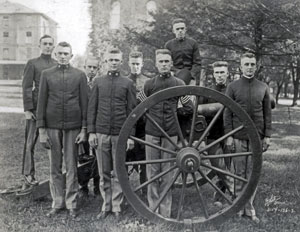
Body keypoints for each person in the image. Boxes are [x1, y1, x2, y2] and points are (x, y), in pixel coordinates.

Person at [138, 49, 193, 218]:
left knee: (168, 173)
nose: (163, 64)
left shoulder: (178, 84)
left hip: (171, 134)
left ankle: (165, 211)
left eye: (166, 61)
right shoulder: (149, 84)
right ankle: (153, 211)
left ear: (171, 64)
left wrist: (176, 115)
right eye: (160, 61)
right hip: (152, 133)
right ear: (156, 64)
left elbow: (189, 107)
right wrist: (150, 118)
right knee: (153, 172)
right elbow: (140, 107)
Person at [36, 41, 88, 218]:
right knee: (54, 166)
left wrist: (84, 129)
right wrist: (42, 130)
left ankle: (71, 203)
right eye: (60, 53)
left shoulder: (80, 75)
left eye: (67, 53)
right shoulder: (46, 75)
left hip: (73, 127)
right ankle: (57, 203)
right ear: (55, 55)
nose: (63, 56)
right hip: (51, 126)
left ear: (71, 56)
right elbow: (41, 102)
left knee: (72, 165)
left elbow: (84, 103)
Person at [88, 47, 136, 220]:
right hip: (101, 133)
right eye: (111, 60)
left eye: (117, 60)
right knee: (103, 172)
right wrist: (92, 132)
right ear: (105, 61)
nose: (114, 63)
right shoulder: (98, 82)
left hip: (120, 134)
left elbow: (132, 112)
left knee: (118, 171)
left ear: (121, 62)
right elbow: (91, 109)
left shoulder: (128, 83)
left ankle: (116, 206)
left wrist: (130, 135)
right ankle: (105, 205)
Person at [224, 52, 272, 223]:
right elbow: (227, 112)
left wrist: (267, 136)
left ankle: (249, 210)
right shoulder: (233, 86)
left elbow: (267, 114)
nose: (250, 67)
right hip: (237, 136)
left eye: (252, 64)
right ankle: (237, 208)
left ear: (256, 66)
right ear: (241, 66)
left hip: (257, 138)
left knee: (253, 174)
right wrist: (228, 135)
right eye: (247, 64)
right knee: (239, 173)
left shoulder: (263, 87)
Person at [21, 35, 56, 189]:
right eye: (45, 44)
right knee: (30, 143)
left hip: (53, 111)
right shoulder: (33, 63)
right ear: (39, 45)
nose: (48, 46)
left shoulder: (57, 64)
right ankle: (28, 174)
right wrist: (28, 109)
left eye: (50, 44)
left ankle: (57, 176)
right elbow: (27, 87)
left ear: (53, 47)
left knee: (55, 142)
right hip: (35, 110)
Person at [202, 61, 233, 206]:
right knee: (218, 166)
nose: (220, 75)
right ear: (213, 74)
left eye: (222, 72)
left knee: (227, 166)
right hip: (212, 134)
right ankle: (236, 194)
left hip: (229, 133)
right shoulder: (206, 92)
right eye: (217, 73)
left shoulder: (232, 90)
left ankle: (221, 197)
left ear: (227, 74)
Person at [77, 57, 100, 198]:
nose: (91, 70)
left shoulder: (100, 83)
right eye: (89, 67)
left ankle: (98, 186)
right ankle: (83, 186)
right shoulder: (80, 83)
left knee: (98, 156)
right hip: (82, 125)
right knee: (83, 155)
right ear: (85, 67)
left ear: (98, 69)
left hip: (97, 125)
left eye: (94, 68)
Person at [126, 51, 149, 189]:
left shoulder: (148, 82)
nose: (135, 67)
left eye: (137, 64)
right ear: (129, 64)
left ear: (142, 64)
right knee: (126, 158)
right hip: (127, 126)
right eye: (133, 64)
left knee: (144, 159)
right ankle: (125, 190)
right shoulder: (125, 81)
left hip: (144, 125)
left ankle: (145, 189)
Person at [165, 18, 201, 85]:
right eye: (177, 29)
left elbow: (197, 63)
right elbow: (168, 63)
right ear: (173, 31)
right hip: (175, 75)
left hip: (191, 76)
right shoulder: (168, 45)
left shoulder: (193, 43)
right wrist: (176, 73)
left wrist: (192, 76)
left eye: (182, 28)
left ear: (185, 29)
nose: (180, 31)